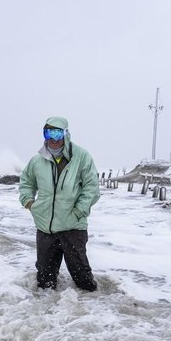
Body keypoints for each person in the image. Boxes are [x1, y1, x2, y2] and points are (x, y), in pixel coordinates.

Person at [19, 117, 100, 291]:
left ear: (66, 134)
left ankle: (90, 313)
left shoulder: (81, 157)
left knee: (83, 280)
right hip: (45, 228)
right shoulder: (37, 160)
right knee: (45, 282)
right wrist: (29, 202)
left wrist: (79, 211)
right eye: (48, 133)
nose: (53, 139)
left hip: (73, 226)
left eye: (57, 133)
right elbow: (26, 182)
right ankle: (46, 314)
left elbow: (92, 187)